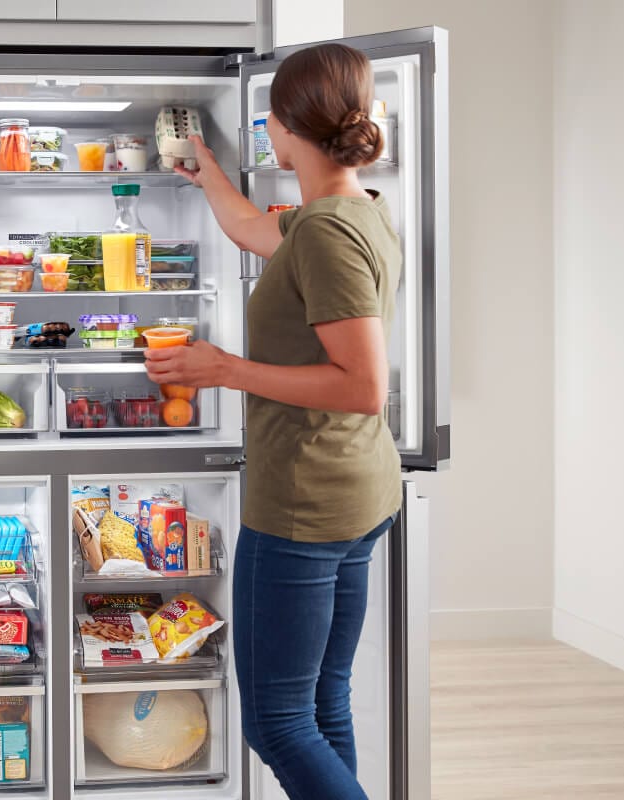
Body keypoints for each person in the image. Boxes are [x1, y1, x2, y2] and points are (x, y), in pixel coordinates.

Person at [146, 43, 401, 800]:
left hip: (304, 503)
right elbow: (260, 233)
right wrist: (206, 174)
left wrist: (221, 370)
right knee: (321, 704)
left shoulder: (325, 231)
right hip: (356, 493)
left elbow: (362, 386)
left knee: (277, 722)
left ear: (285, 127)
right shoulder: (351, 213)